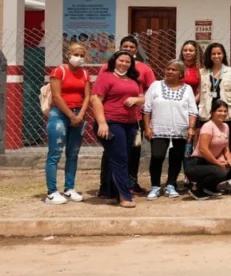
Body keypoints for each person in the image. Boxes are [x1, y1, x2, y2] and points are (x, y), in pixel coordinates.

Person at [98, 35, 155, 197]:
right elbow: (99, 95)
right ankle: (106, 186)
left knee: (134, 151)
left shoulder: (144, 69)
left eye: (131, 46)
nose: (128, 48)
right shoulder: (107, 69)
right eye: (125, 46)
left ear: (136, 50)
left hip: (136, 118)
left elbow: (150, 92)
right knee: (111, 152)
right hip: (112, 118)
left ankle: (131, 183)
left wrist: (139, 101)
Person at [90, 51, 141, 208]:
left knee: (117, 158)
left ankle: (111, 194)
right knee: (120, 159)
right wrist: (102, 123)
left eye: (127, 62)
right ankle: (125, 196)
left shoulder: (132, 79)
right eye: (121, 61)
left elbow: (142, 96)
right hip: (112, 123)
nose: (124, 64)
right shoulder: (106, 77)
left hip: (130, 124)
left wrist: (137, 99)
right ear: (114, 61)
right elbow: (95, 99)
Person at [143, 60, 198, 200]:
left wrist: (191, 128)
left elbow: (192, 110)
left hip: (180, 130)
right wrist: (147, 127)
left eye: (174, 70)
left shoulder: (187, 89)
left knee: (176, 158)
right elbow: (147, 108)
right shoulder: (155, 86)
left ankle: (170, 185)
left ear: (181, 73)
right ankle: (155, 186)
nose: (170, 72)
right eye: (168, 69)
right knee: (157, 156)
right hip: (159, 129)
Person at [44, 43, 91, 204]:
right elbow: (56, 96)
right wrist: (71, 115)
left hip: (79, 114)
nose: (78, 58)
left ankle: (69, 188)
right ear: (68, 54)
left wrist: (81, 114)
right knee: (55, 153)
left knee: (73, 153)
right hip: (60, 114)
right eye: (75, 54)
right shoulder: (59, 71)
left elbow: (87, 96)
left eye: (81, 55)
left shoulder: (85, 73)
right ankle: (51, 191)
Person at [184, 100, 231, 200]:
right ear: (212, 112)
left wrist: (229, 159)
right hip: (198, 163)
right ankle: (196, 189)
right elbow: (203, 150)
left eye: (225, 111)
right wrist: (218, 164)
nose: (223, 113)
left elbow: (225, 147)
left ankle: (209, 188)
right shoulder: (208, 126)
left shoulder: (226, 126)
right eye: (219, 111)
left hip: (211, 162)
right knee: (220, 171)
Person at [198, 43, 231, 154]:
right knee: (208, 144)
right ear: (209, 56)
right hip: (207, 113)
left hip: (227, 114)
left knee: (228, 144)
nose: (216, 56)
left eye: (219, 53)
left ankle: (228, 168)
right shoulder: (202, 72)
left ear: (223, 55)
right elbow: (199, 93)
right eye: (213, 54)